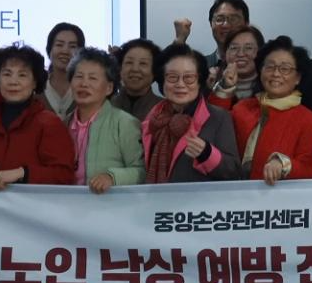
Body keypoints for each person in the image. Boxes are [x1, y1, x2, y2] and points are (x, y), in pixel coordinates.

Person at [0, 45, 77, 190]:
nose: (13, 81)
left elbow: (64, 175)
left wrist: (24, 173)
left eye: (22, 75)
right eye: (7, 74)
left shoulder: (49, 124)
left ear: (34, 82)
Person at [221, 36, 312, 183]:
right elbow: (214, 123)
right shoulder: (242, 108)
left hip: (276, 195)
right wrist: (224, 88)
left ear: (298, 78)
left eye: (285, 69)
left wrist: (284, 164)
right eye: (270, 67)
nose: (276, 74)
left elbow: (311, 168)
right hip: (236, 193)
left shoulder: (308, 119)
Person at [143, 43, 243, 183]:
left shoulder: (219, 117)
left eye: (189, 78)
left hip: (201, 197)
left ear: (199, 82)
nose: (180, 84)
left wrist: (207, 154)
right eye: (172, 77)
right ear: (162, 81)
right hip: (156, 196)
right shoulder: (153, 118)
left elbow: (234, 171)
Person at [63, 47, 145, 193]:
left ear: (109, 88)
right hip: (67, 203)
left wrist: (112, 177)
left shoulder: (124, 123)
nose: (84, 84)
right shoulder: (63, 124)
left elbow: (142, 171)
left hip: (110, 204)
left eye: (93, 78)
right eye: (79, 76)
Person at [174, 0, 250, 69]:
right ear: (211, 24)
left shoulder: (256, 64)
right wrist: (180, 39)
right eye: (219, 19)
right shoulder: (199, 67)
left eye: (233, 19)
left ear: (246, 24)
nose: (226, 25)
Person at [111, 38, 165, 121]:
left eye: (143, 63)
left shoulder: (164, 110)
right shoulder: (104, 107)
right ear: (120, 68)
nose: (135, 69)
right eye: (129, 62)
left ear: (154, 71)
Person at [43, 22, 86, 120]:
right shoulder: (36, 89)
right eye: (59, 44)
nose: (65, 51)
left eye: (72, 46)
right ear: (49, 49)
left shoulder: (87, 88)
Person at [211, 26, 264, 103]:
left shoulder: (271, 84)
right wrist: (225, 87)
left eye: (249, 48)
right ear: (225, 53)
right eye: (234, 48)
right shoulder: (210, 82)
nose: (240, 54)